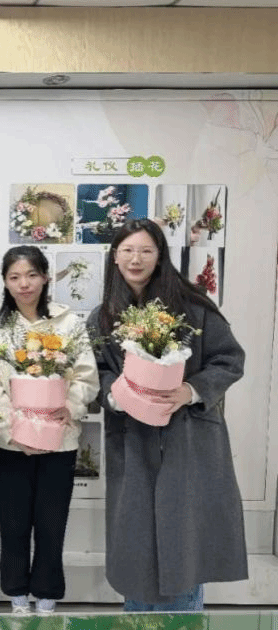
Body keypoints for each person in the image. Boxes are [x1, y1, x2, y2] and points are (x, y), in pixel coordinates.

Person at [87, 218, 246, 611]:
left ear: (159, 256)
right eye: (127, 250)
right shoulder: (103, 316)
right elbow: (95, 372)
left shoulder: (194, 307)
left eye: (146, 250)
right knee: (136, 546)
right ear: (115, 256)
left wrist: (190, 391)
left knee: (183, 546)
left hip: (188, 440)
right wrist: (115, 394)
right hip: (132, 440)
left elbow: (229, 359)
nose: (135, 259)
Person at [0, 246, 99, 615]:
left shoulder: (69, 324)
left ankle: (47, 594)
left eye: (31, 275)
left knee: (51, 523)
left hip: (60, 442)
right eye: (14, 277)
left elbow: (86, 377)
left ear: (46, 277)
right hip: (11, 445)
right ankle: (16, 594)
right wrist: (16, 432)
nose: (24, 284)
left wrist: (69, 408)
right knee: (13, 524)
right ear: (5, 282)